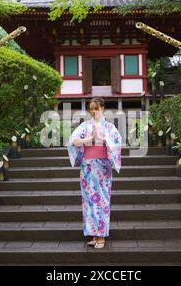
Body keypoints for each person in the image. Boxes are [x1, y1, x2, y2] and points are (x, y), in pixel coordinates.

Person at [67, 97, 122, 249]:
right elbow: (72, 141)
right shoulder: (85, 126)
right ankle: (93, 234)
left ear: (102, 108)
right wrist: (89, 139)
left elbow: (117, 143)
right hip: (87, 167)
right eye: (91, 108)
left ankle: (102, 235)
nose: (93, 111)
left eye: (96, 108)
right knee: (89, 200)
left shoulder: (109, 127)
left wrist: (103, 140)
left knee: (102, 200)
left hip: (102, 167)